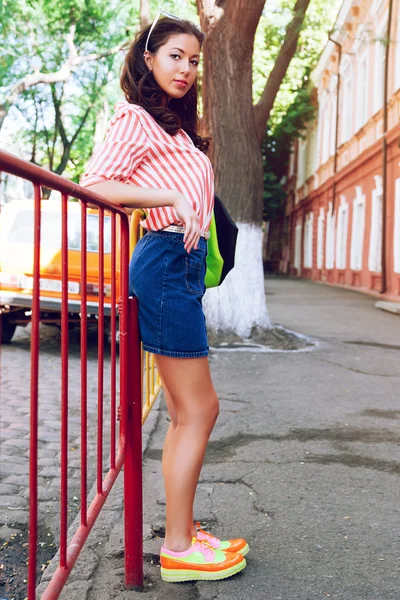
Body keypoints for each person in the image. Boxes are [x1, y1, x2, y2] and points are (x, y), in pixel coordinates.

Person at [80, 12, 249, 583]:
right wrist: (169, 196)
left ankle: (183, 530)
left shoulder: (172, 128)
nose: (186, 68)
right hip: (163, 262)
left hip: (179, 267)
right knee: (201, 409)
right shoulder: (133, 118)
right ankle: (178, 547)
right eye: (176, 55)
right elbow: (95, 185)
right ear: (149, 58)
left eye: (194, 60)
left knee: (185, 411)